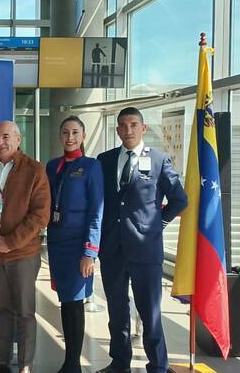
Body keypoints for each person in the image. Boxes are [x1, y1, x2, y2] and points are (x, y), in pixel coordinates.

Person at [95, 107, 187, 373]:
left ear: (143, 128)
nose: (128, 130)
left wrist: (159, 223)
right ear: (117, 130)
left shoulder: (159, 160)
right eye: (123, 125)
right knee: (117, 310)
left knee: (150, 311)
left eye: (134, 125)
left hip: (146, 248)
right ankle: (120, 362)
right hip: (112, 248)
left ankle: (158, 365)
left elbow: (180, 199)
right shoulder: (105, 160)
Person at [0, 121, 50, 373]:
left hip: (23, 254)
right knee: (2, 309)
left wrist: (10, 242)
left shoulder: (35, 170)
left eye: (5, 137)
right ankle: (1, 362)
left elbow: (40, 215)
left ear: (18, 139)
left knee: (25, 311)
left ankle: (25, 364)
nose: (0, 142)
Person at [45, 116, 104, 373]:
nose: (70, 137)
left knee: (75, 301)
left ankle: (73, 364)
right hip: (56, 244)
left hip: (79, 246)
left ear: (83, 135)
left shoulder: (91, 166)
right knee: (65, 301)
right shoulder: (52, 166)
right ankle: (70, 361)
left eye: (75, 132)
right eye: (66, 132)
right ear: (60, 136)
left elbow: (96, 211)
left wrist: (89, 252)